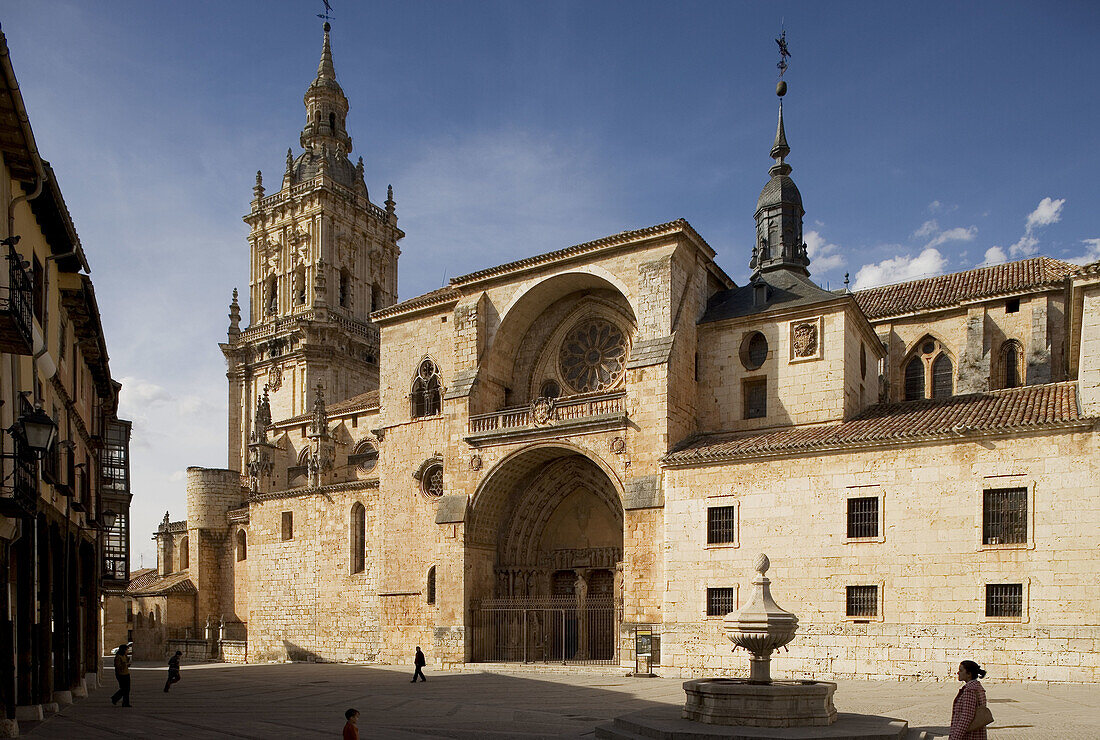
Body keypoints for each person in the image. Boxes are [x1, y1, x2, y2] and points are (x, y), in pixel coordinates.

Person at [949, 660, 989, 740]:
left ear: (969, 674)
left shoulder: (970, 691)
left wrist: (955, 737)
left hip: (969, 736)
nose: (958, 673)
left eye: (961, 670)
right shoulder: (977, 688)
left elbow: (966, 717)